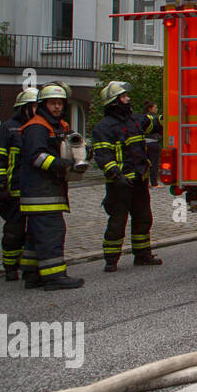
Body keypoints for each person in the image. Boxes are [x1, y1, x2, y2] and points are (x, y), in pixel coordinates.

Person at [17, 84, 84, 290]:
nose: (56, 107)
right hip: (41, 193)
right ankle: (54, 277)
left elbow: (75, 141)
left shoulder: (57, 126)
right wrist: (63, 165)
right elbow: (37, 157)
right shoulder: (37, 127)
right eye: (52, 103)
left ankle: (32, 274)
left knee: (36, 234)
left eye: (60, 103)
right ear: (43, 105)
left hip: (44, 192)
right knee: (52, 232)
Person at [92, 81, 164, 272]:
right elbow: (103, 156)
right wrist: (116, 174)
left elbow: (157, 123)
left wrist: (175, 113)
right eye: (124, 97)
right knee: (117, 222)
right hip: (119, 184)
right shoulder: (103, 128)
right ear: (114, 101)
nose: (128, 99)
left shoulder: (136, 120)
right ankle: (111, 259)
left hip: (139, 180)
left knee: (143, 218)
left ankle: (142, 255)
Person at [0, 88, 37, 280]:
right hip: (13, 192)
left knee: (34, 232)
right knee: (13, 232)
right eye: (33, 105)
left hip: (33, 192)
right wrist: (0, 186)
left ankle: (29, 266)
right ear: (24, 108)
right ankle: (10, 268)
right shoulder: (7, 129)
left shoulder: (38, 129)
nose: (37, 109)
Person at [143, 100, 162, 186]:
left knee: (145, 163)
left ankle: (145, 182)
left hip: (143, 143)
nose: (156, 109)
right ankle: (154, 183)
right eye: (155, 108)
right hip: (153, 143)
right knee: (154, 163)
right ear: (150, 108)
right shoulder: (155, 118)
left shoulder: (143, 117)